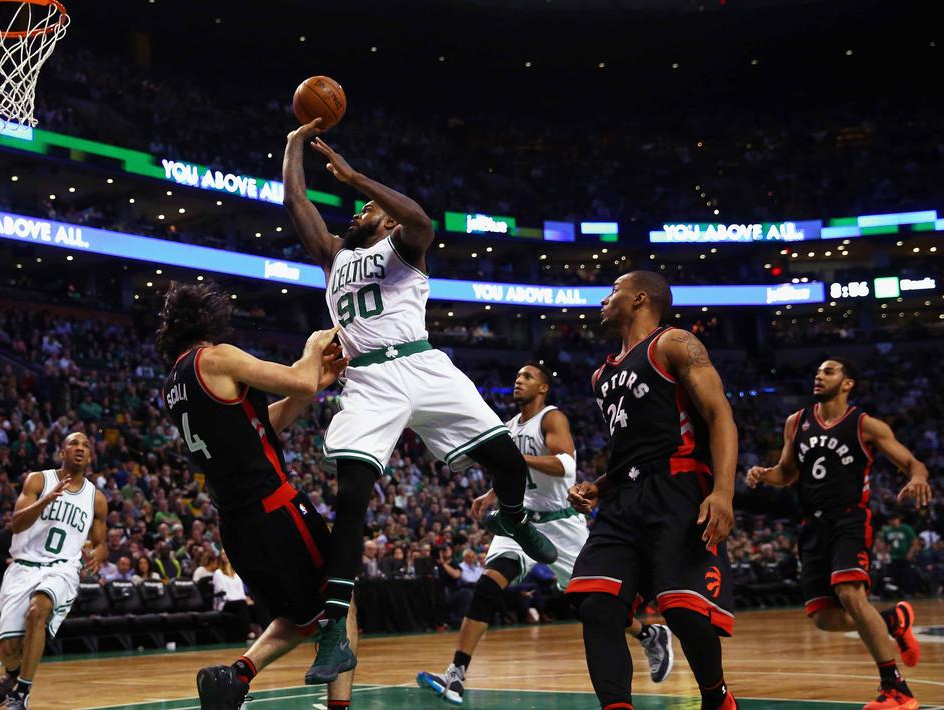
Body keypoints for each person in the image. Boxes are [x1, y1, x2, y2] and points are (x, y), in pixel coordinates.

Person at [284, 118, 556, 684]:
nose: (357, 213)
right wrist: (292, 147)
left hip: (424, 364)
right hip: (369, 378)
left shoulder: (404, 246)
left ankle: (513, 518)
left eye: (367, 210)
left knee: (507, 462)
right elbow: (297, 204)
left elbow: (421, 220)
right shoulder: (334, 257)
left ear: (385, 218)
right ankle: (334, 632)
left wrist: (357, 178)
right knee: (352, 496)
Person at [418, 363, 674, 705]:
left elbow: (565, 465)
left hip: (562, 523)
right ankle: (456, 673)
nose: (518, 381)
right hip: (521, 520)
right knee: (488, 585)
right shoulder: (510, 426)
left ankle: (649, 634)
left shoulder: (551, 418)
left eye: (527, 377)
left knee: (594, 605)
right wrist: (492, 493)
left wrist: (517, 459)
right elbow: (512, 471)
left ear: (543, 388)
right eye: (516, 376)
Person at [155, 281, 356, 710]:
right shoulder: (216, 357)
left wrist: (312, 386)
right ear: (210, 318)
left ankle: (236, 677)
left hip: (236, 526)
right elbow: (299, 380)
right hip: (276, 510)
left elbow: (257, 427)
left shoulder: (173, 384)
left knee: (298, 617)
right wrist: (313, 349)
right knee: (341, 594)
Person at [566, 271, 740, 710]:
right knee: (597, 605)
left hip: (678, 487)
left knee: (682, 610)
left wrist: (723, 492)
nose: (604, 299)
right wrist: (600, 486)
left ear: (640, 298)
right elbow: (633, 449)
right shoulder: (600, 376)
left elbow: (719, 415)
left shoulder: (673, 343)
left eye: (613, 291)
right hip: (623, 498)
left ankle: (717, 698)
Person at [746, 358, 932, 710]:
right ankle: (893, 620)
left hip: (849, 520)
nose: (819, 375)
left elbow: (912, 463)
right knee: (824, 619)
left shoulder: (865, 425)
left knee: (850, 594)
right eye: (817, 371)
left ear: (847, 383)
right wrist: (764, 474)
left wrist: (919, 477)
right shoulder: (796, 422)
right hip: (812, 526)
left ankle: (896, 689)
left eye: (829, 371)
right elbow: (787, 473)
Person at [0, 432, 108, 710]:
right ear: (62, 452)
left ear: (90, 457)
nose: (80, 448)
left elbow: (101, 543)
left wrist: (99, 554)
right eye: (73, 444)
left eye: (85, 445)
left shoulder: (96, 498)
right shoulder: (38, 481)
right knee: (8, 650)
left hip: (62, 568)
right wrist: (46, 500)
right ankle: (12, 673)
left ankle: (22, 694)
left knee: (38, 610)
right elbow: (16, 524)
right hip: (23, 567)